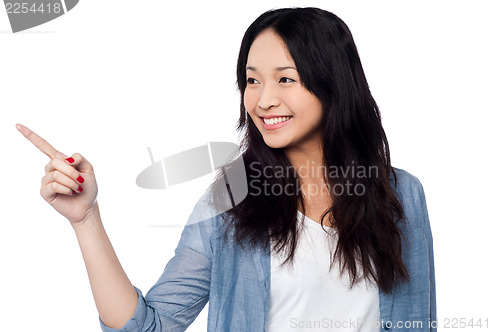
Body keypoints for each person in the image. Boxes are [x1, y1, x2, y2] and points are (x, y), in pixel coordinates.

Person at [16, 7, 437, 332]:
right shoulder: (232, 194)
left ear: (333, 84)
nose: (263, 100)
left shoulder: (400, 194)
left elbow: (419, 318)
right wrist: (86, 219)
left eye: (285, 79)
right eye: (252, 81)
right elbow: (150, 325)